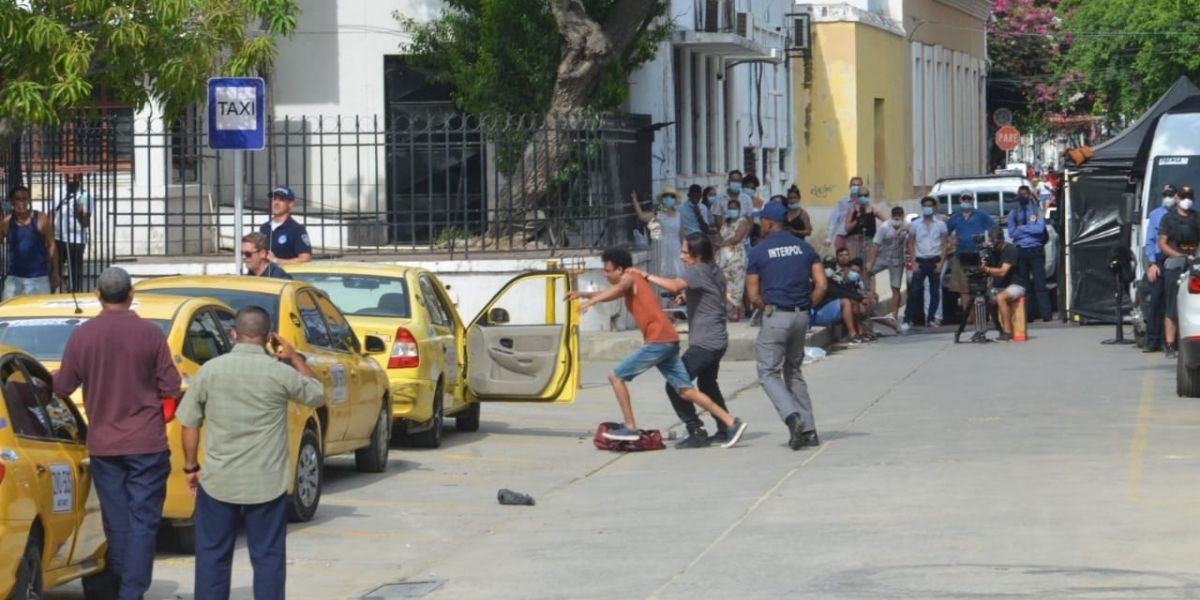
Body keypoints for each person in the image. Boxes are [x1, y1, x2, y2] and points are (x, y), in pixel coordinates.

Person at [178, 306, 325, 600]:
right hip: (266, 483)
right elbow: (316, 394)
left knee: (212, 557)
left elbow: (189, 424)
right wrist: (294, 357)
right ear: (269, 337)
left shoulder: (210, 371)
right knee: (268, 558)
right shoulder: (279, 373)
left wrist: (191, 468)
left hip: (219, 481)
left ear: (234, 334)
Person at [54, 267, 181, 599]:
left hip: (105, 445)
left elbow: (64, 386)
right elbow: (170, 386)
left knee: (117, 523)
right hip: (147, 443)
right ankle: (132, 590)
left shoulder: (82, 336)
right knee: (144, 523)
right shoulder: (150, 334)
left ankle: (126, 586)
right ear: (131, 295)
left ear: (97, 295)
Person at [565, 247, 747, 446]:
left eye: (607, 271)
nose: (604, 274)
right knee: (686, 391)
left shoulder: (630, 276)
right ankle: (731, 422)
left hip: (658, 341)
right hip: (668, 340)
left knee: (615, 376)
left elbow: (618, 288)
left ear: (620, 269)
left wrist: (592, 302)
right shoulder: (629, 282)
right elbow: (613, 293)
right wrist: (584, 294)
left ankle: (630, 426)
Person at [633, 235, 732, 448]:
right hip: (718, 339)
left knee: (676, 385)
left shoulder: (696, 271)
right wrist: (688, 297)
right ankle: (726, 429)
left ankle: (695, 429)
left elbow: (674, 285)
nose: (681, 256)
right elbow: (709, 294)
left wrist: (645, 276)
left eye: (685, 252)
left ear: (698, 255)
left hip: (705, 343)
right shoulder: (713, 269)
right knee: (706, 384)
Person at [747, 202, 828, 450]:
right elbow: (822, 285)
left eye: (762, 221)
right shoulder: (805, 248)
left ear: (769, 223)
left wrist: (766, 309)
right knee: (794, 370)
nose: (761, 225)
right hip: (801, 314)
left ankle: (792, 418)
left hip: (777, 315)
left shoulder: (759, 252)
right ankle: (810, 429)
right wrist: (807, 307)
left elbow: (753, 294)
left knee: (768, 372)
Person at [1157, 185, 1200, 359]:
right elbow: (1162, 243)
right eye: (1183, 197)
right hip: (1175, 263)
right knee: (1171, 305)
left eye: (1189, 197)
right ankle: (1169, 344)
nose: (1186, 200)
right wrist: (1179, 255)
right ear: (1177, 198)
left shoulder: (1196, 217)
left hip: (1195, 264)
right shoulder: (1168, 219)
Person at [1, 186, 60, 298]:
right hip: (14, 278)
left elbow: (52, 245)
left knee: (40, 314)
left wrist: (55, 272)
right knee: (7, 313)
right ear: (12, 202)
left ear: (29, 200)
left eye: (24, 199)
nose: (21, 203)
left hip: (39, 278)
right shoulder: (6, 222)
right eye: (18, 199)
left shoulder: (40, 219)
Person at [946, 191, 996, 319]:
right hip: (960, 256)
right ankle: (968, 318)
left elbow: (994, 229)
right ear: (960, 200)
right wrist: (951, 241)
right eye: (964, 198)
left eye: (968, 199)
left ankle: (981, 317)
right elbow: (945, 233)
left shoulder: (981, 215)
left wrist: (988, 242)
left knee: (980, 288)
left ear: (973, 200)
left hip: (978, 256)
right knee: (963, 289)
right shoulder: (955, 217)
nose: (966, 201)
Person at [1007, 185, 1052, 322]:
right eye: (1020, 194)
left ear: (1029, 195)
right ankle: (1028, 315)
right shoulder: (1013, 213)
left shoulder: (1036, 210)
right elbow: (1012, 232)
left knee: (1040, 284)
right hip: (1021, 251)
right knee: (1025, 285)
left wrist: (1023, 228)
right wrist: (1026, 230)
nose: (1023, 197)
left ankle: (1046, 314)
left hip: (1036, 250)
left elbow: (1039, 229)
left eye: (1025, 194)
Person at [1143, 185, 1177, 353]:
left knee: (1173, 301)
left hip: (1177, 259)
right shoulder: (1156, 214)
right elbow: (1149, 241)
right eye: (1165, 195)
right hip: (1159, 260)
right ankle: (1153, 341)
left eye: (1171, 195)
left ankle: (1170, 341)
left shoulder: (1184, 215)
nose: (1168, 197)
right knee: (1156, 300)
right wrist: (1152, 264)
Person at [906, 196, 949, 327]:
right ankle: (908, 319)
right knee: (914, 291)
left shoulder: (940, 225)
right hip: (920, 260)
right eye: (925, 205)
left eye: (930, 205)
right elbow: (911, 243)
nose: (927, 208)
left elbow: (944, 244)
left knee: (934, 291)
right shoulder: (915, 224)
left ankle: (931, 318)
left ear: (934, 207)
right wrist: (914, 262)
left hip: (935, 260)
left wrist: (941, 262)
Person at [867, 206, 910, 330]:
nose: (897, 217)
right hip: (883, 257)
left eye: (899, 215)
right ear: (891, 216)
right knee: (868, 272)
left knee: (895, 287)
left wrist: (902, 229)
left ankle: (894, 316)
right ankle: (872, 293)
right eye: (894, 215)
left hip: (897, 259)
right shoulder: (884, 227)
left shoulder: (907, 225)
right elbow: (875, 245)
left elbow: (914, 230)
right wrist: (871, 262)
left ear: (902, 215)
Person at [980, 227, 1024, 341]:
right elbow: (986, 267)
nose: (994, 246)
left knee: (1001, 298)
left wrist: (987, 269)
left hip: (1016, 285)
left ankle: (1007, 331)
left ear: (1001, 240)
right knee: (988, 300)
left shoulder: (1011, 250)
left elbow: (1003, 271)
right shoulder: (992, 252)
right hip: (999, 286)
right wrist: (982, 261)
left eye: (996, 243)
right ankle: (999, 328)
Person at [630, 188, 683, 280]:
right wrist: (634, 199)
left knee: (678, 275)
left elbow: (682, 235)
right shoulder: (659, 213)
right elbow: (642, 216)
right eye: (666, 197)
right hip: (662, 248)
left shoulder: (679, 215)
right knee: (661, 273)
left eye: (671, 197)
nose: (668, 199)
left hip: (676, 248)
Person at [53, 173, 92, 293]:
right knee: (55, 270)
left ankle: (75, 293)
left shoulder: (85, 195)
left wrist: (80, 214)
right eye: (68, 174)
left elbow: (86, 223)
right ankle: (53, 294)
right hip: (58, 237)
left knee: (75, 272)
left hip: (77, 240)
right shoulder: (58, 192)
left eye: (75, 175)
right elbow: (52, 212)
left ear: (80, 177)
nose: (71, 177)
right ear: (64, 176)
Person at [716, 198, 751, 321]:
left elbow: (736, 239)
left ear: (739, 209)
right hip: (722, 257)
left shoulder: (743, 222)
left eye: (734, 208)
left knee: (737, 283)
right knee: (723, 283)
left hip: (736, 256)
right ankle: (725, 309)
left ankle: (736, 310)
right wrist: (716, 248)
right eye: (730, 207)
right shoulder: (725, 223)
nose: (732, 210)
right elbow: (720, 237)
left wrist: (720, 245)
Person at [258, 185, 312, 265]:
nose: (276, 203)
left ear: (290, 204)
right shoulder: (264, 228)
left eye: (281, 200)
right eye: (274, 199)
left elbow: (305, 258)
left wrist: (276, 261)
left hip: (285, 275)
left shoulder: (297, 229)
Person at [842, 185, 885, 261]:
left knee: (867, 266)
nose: (863, 197)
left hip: (869, 243)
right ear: (857, 196)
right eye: (860, 195)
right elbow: (847, 228)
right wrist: (857, 220)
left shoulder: (874, 210)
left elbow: (887, 221)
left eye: (865, 195)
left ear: (868, 196)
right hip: (854, 243)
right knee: (854, 265)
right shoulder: (852, 210)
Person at [825, 176, 863, 252]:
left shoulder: (864, 202)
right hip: (842, 236)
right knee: (841, 260)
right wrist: (829, 237)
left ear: (862, 187)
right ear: (850, 186)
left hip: (857, 238)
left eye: (858, 185)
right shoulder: (842, 201)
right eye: (854, 185)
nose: (856, 187)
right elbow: (833, 220)